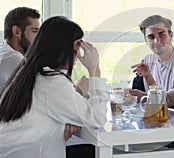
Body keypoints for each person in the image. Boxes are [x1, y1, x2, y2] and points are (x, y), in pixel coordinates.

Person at [0, 16, 108, 158]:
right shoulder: (52, 81)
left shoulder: (26, 72)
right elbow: (98, 119)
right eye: (76, 48)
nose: (77, 56)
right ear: (62, 48)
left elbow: (50, 108)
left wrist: (71, 117)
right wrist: (95, 70)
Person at [132, 15, 174, 94]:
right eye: (151, 37)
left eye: (162, 35)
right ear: (145, 40)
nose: (156, 41)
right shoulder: (146, 61)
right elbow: (137, 95)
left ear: (171, 36)